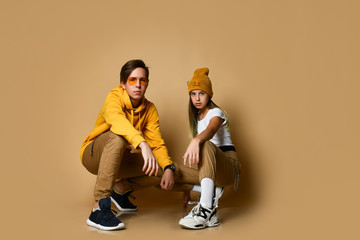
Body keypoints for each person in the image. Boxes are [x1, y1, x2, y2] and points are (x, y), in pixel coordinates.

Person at [80, 59, 177, 230]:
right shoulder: (114, 97)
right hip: (93, 155)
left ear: (147, 84)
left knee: (161, 167)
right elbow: (117, 122)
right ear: (123, 83)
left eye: (143, 80)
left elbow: (157, 144)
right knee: (118, 137)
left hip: (119, 159)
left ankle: (119, 192)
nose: (138, 84)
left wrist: (169, 168)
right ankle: (99, 209)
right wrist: (142, 144)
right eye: (132, 80)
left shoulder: (150, 109)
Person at [176, 67, 241, 229]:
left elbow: (211, 131)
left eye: (202, 93)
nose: (197, 98)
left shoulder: (216, 113)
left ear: (209, 94)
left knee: (204, 143)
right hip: (209, 170)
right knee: (169, 172)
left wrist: (196, 140)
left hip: (227, 166)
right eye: (193, 94)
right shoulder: (196, 119)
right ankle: (209, 195)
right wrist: (186, 189)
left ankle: (206, 208)